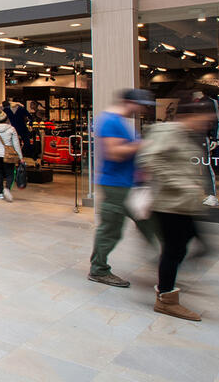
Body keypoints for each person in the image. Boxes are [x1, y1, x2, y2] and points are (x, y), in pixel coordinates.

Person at [138, 97, 218, 322]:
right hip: (169, 204)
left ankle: (166, 283)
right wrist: (180, 184)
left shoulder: (185, 134)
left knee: (190, 247)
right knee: (175, 250)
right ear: (190, 116)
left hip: (183, 204)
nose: (206, 125)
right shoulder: (167, 132)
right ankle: (165, 297)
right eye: (204, 120)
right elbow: (149, 158)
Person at [89, 89, 160, 288]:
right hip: (115, 185)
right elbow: (114, 153)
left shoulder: (122, 123)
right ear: (129, 102)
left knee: (149, 224)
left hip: (130, 185)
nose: (143, 109)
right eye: (141, 104)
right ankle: (99, 269)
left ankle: (166, 263)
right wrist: (142, 144)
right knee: (111, 229)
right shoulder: (110, 121)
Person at [0, 110, 23, 202]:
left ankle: (0, 193)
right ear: (6, 119)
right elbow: (16, 144)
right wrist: (21, 157)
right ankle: (7, 188)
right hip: (9, 154)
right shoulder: (11, 129)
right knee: (10, 173)